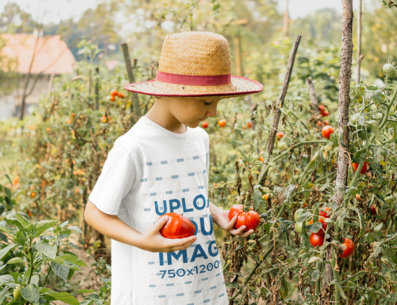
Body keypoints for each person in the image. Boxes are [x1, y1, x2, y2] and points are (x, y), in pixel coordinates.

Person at [84, 31, 263, 305]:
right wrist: (144, 241)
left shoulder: (199, 139)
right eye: (206, 102)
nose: (213, 112)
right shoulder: (134, 147)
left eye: (217, 102)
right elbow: (95, 212)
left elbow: (190, 195)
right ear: (170, 93)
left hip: (201, 282)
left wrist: (218, 214)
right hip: (153, 291)